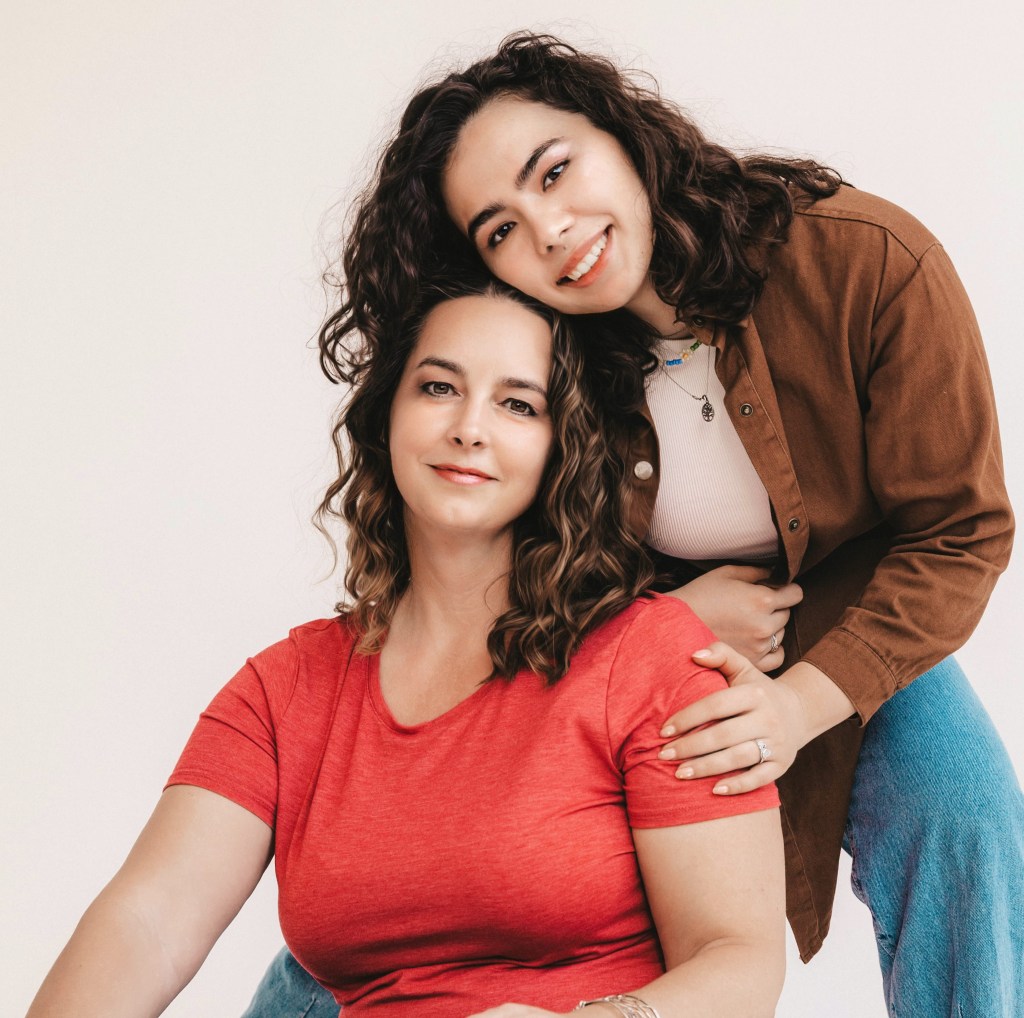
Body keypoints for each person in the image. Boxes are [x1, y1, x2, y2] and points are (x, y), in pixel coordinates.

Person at [246, 31, 1023, 1018]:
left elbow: (959, 533)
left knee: (966, 811)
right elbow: (502, 549)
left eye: (554, 172)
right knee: (442, 868)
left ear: (621, 130)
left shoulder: (865, 261)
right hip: (625, 634)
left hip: (859, 619)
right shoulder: (537, 354)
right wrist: (664, 627)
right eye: (500, 229)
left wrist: (793, 708)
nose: (551, 232)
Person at [26, 278, 786, 1018]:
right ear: (386, 414)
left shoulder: (651, 656)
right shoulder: (284, 690)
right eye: (438, 387)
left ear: (564, 446)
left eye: (518, 404)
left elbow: (738, 960)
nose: (470, 427)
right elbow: (150, 921)